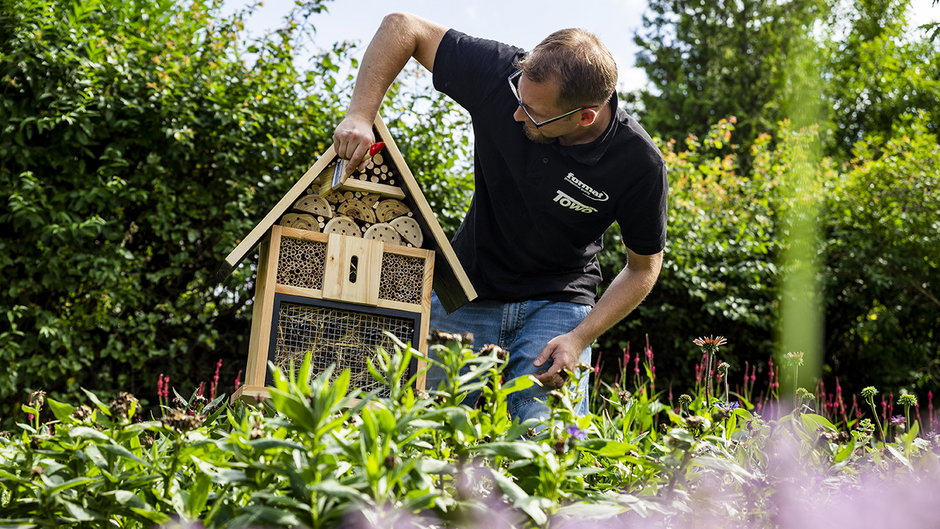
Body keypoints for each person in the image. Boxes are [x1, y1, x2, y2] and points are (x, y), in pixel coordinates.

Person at [332, 13, 667, 422]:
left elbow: (643, 268)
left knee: (543, 442)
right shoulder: (500, 75)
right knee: (424, 429)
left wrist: (580, 338)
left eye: (534, 112)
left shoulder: (638, 163)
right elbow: (403, 27)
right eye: (518, 98)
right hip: (466, 291)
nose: (516, 115)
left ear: (584, 117)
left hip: (558, 304)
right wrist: (360, 115)